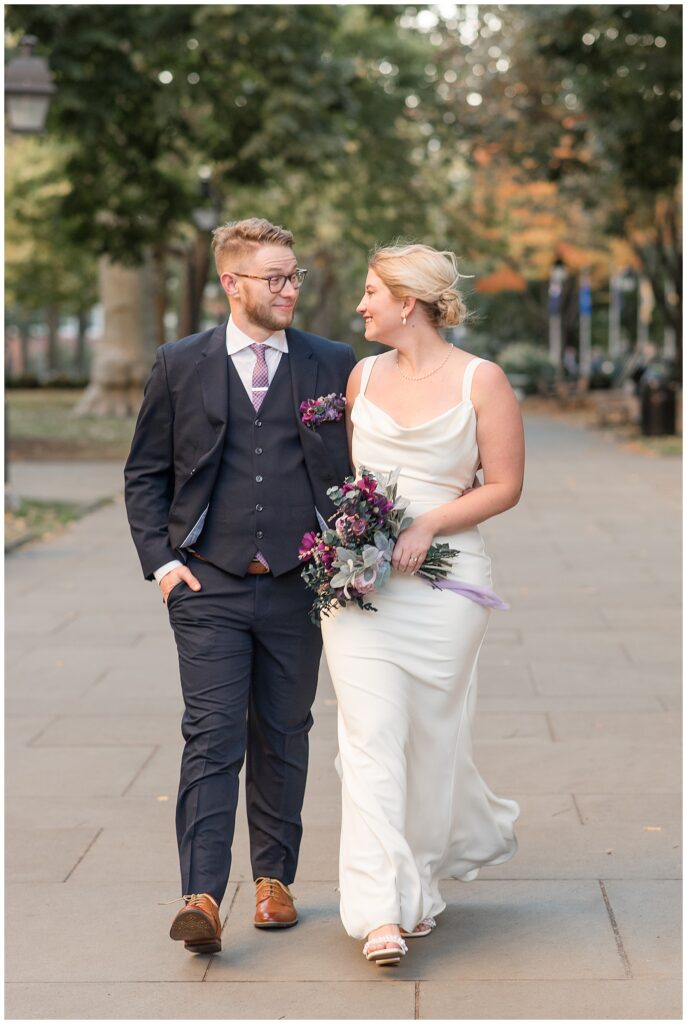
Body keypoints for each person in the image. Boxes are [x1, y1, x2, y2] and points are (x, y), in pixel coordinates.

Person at [124, 217, 356, 954]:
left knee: (284, 734)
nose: (289, 289)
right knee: (212, 735)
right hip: (209, 585)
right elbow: (145, 473)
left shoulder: (331, 362)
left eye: (294, 277)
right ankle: (200, 895)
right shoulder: (180, 362)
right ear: (232, 282)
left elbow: (358, 469)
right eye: (275, 278)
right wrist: (164, 566)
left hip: (298, 584)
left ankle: (273, 882)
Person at [321, 243, 523, 965]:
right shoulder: (360, 375)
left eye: (371, 292)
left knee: (433, 741)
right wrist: (348, 540)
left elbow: (502, 485)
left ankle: (420, 884)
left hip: (446, 583)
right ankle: (378, 910)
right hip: (362, 587)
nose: (360, 305)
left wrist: (429, 523)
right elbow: (344, 477)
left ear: (408, 302)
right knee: (369, 735)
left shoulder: (482, 380)